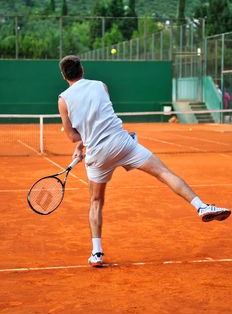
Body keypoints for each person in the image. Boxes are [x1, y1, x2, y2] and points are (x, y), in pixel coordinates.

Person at [58, 55, 231, 267]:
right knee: (164, 173)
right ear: (82, 69)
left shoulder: (63, 100)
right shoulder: (100, 86)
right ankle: (201, 206)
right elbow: (101, 118)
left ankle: (96, 253)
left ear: (63, 75)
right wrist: (83, 144)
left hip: (97, 154)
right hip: (122, 143)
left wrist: (80, 145)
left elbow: (74, 136)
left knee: (96, 202)